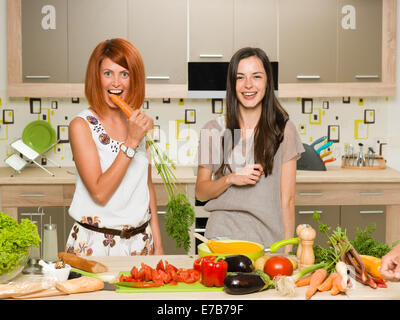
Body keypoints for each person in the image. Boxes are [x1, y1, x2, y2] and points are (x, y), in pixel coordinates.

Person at [195, 47, 304, 254]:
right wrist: (230, 178)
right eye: (240, 77)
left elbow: (287, 199)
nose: (248, 85)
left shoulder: (284, 131)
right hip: (222, 237)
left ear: (267, 82)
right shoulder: (214, 130)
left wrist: (287, 251)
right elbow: (201, 192)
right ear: (232, 84)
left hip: (268, 241)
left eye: (256, 77)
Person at [65, 38, 164, 256]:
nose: (116, 83)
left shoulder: (136, 121)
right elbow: (100, 193)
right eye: (108, 73)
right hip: (94, 245)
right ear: (96, 77)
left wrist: (158, 244)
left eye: (124, 74)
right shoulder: (81, 125)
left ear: (134, 79)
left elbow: (146, 185)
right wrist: (131, 141)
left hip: (141, 244)